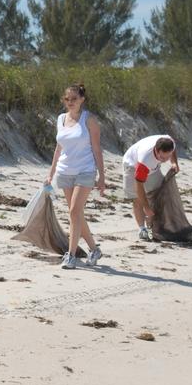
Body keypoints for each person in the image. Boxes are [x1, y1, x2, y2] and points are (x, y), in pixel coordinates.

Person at [45, 83, 107, 269]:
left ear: (82, 99)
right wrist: (51, 173)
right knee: (76, 214)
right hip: (65, 171)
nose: (70, 102)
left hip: (85, 171)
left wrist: (102, 176)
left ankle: (70, 256)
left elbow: (97, 148)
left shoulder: (89, 120)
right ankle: (94, 249)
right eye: (67, 99)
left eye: (74, 99)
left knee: (73, 212)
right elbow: (58, 148)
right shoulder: (61, 119)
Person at [123, 134, 179, 240]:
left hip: (153, 168)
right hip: (132, 165)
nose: (164, 160)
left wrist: (174, 162)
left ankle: (157, 226)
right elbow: (138, 185)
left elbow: (173, 150)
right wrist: (146, 208)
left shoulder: (170, 142)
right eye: (162, 157)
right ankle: (142, 229)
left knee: (159, 194)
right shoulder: (145, 159)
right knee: (137, 200)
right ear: (156, 150)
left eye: (167, 157)